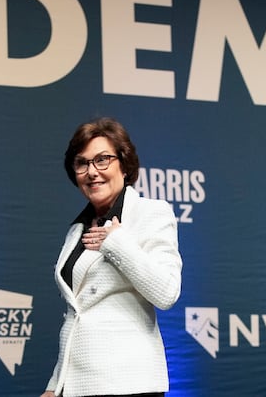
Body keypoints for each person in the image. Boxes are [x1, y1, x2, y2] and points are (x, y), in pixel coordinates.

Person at [40, 117, 183, 397]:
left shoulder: (151, 213)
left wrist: (116, 242)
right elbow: (78, 315)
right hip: (78, 385)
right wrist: (56, 384)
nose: (92, 171)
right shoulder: (77, 228)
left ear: (124, 164)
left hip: (128, 383)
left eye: (102, 159)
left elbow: (167, 292)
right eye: (82, 163)